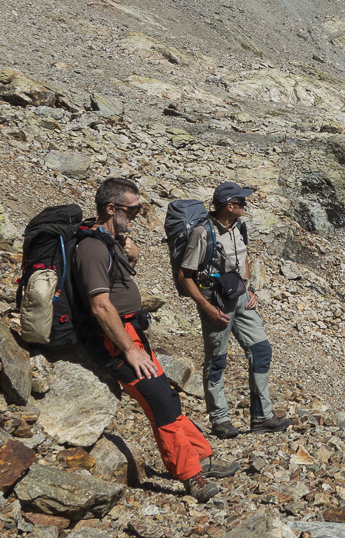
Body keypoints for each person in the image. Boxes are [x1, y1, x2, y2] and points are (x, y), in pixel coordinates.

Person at [74, 176, 237, 503]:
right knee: (159, 402)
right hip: (116, 340)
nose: (138, 215)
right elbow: (100, 306)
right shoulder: (91, 247)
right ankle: (190, 476)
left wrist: (130, 258)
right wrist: (130, 350)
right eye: (132, 210)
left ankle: (201, 458)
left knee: (166, 394)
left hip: (132, 332)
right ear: (111, 208)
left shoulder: (109, 240)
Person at [178, 181, 291, 437]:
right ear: (229, 206)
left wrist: (250, 289)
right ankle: (220, 420)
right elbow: (185, 276)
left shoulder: (239, 226)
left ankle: (262, 417)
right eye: (241, 202)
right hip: (216, 303)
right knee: (217, 360)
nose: (245, 206)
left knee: (261, 350)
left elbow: (244, 257)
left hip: (241, 297)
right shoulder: (202, 233)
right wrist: (206, 308)